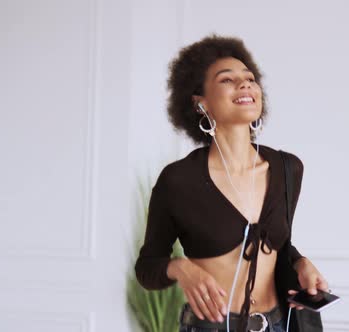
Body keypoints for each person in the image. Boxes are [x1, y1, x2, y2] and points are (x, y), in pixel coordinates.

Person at [134, 34, 328, 332]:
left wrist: (300, 263)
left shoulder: (288, 169)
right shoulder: (178, 180)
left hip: (279, 324)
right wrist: (181, 267)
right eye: (227, 80)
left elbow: (277, 245)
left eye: (249, 78)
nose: (245, 84)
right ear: (201, 103)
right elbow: (147, 267)